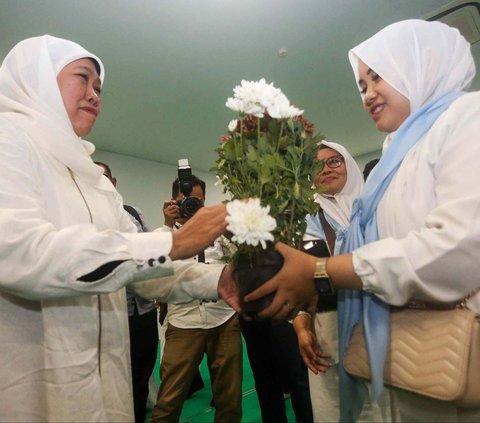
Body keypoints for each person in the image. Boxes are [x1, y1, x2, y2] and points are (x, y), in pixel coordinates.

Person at [245, 19, 480, 422]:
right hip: (399, 347)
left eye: (377, 78)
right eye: (361, 86)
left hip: (453, 345)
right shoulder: (395, 153)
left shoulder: (466, 118)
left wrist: (322, 269)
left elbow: (459, 248)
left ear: (419, 64)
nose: (368, 94)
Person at [0, 35, 234, 422]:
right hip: (36, 383)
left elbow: (142, 266)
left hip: (105, 379)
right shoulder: (9, 138)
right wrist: (176, 241)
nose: (94, 94)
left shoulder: (90, 174)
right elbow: (19, 251)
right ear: (36, 78)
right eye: (83, 78)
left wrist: (220, 281)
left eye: (99, 87)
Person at [151, 176, 242, 423]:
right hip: (183, 323)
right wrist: (167, 226)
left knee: (230, 399)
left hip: (224, 320)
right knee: (169, 400)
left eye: (197, 201)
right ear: (173, 201)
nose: (190, 206)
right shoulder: (163, 236)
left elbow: (240, 262)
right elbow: (155, 273)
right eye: (184, 201)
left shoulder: (219, 232)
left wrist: (229, 230)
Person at [293, 141, 366, 423]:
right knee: (332, 411)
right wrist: (301, 329)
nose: (325, 169)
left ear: (349, 163)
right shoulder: (305, 219)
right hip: (328, 335)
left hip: (383, 329)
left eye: (334, 161)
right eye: (317, 165)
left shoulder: (377, 208)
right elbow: (301, 285)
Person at [96, 161, 159, 423]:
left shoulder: (133, 213)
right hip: (110, 316)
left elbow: (149, 255)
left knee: (141, 376)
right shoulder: (84, 219)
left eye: (104, 178)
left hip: (143, 312)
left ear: (114, 182)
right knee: (112, 382)